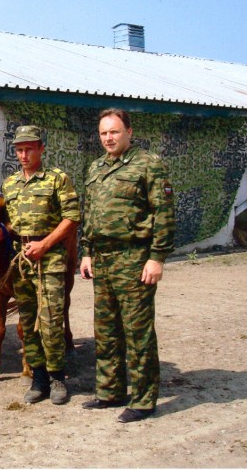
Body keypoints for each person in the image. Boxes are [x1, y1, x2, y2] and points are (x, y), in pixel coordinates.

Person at [79, 108, 176, 423]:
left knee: (137, 332)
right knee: (105, 330)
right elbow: (90, 213)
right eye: (104, 133)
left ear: (129, 132)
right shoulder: (95, 168)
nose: (108, 138)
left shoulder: (149, 165)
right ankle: (110, 391)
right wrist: (87, 252)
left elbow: (163, 212)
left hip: (135, 259)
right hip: (103, 260)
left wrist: (157, 257)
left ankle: (144, 400)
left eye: (114, 132)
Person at [2, 125, 80, 405]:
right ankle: (39, 378)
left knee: (50, 321)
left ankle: (58, 376)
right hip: (22, 261)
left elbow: (71, 218)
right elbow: (9, 220)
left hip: (50, 260)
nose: (24, 155)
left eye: (29, 149)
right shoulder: (9, 184)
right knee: (27, 320)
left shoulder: (57, 179)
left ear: (41, 149)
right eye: (19, 150)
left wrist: (44, 245)